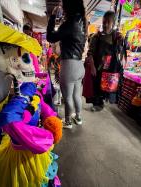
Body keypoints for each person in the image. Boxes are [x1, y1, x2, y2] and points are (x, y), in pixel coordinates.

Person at [47, 0, 87, 129]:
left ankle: (68, 121)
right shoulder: (82, 23)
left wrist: (53, 16)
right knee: (76, 95)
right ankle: (78, 117)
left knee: (67, 97)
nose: (63, 10)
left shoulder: (70, 23)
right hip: (80, 66)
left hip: (69, 66)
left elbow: (50, 37)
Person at [85, 11, 124, 112]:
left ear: (113, 23)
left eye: (108, 22)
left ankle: (102, 101)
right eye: (104, 21)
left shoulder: (117, 36)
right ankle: (97, 104)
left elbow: (120, 53)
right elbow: (90, 53)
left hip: (110, 68)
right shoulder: (96, 37)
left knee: (107, 88)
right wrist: (92, 66)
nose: (105, 24)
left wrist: (121, 42)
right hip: (98, 67)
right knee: (96, 86)